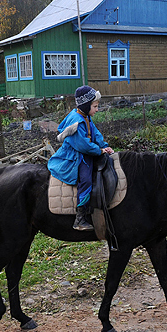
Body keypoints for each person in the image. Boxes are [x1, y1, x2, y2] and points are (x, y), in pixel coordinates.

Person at [48, 85, 114, 231]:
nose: (97, 109)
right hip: (75, 156)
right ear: (85, 105)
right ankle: (80, 218)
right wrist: (99, 150)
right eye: (95, 106)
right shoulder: (76, 121)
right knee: (86, 180)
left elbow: (95, 134)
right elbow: (83, 145)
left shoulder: (86, 116)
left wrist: (105, 146)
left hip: (86, 152)